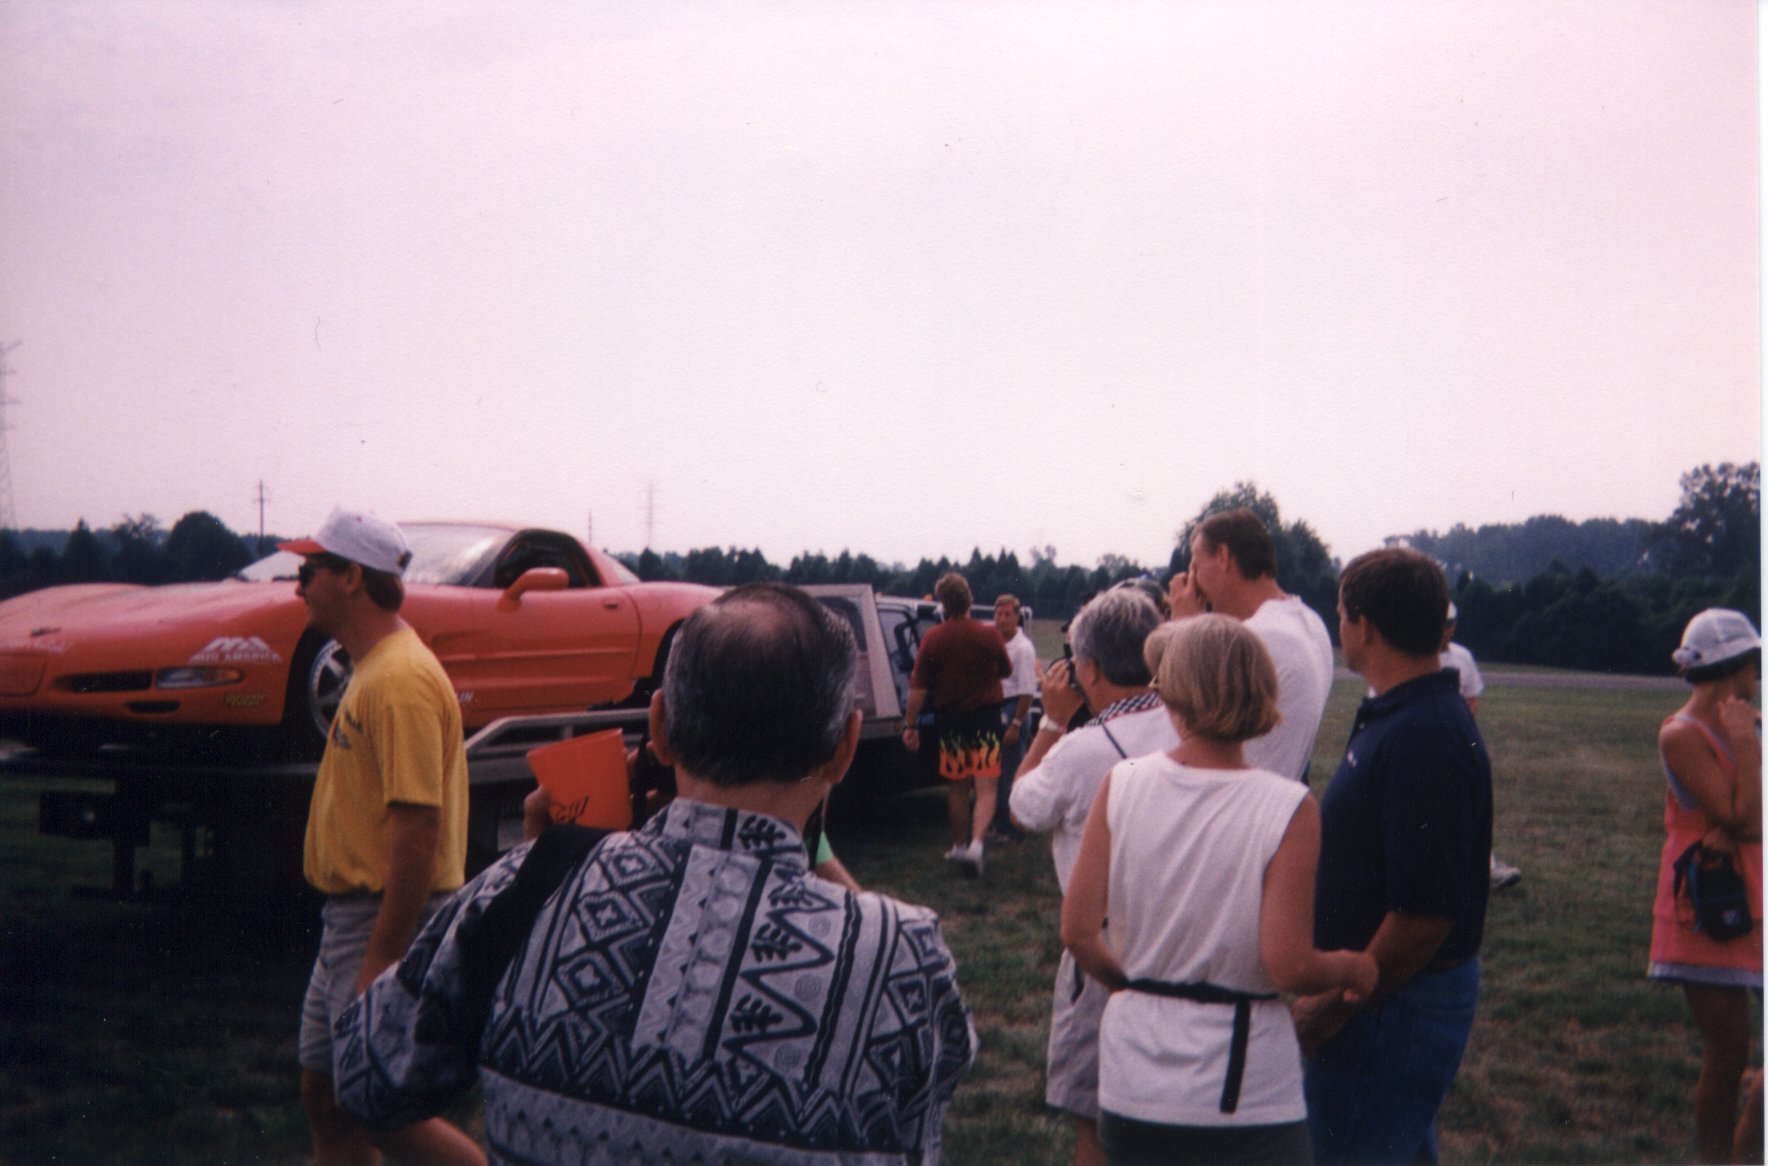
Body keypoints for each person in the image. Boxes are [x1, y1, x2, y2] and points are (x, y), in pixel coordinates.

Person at [332, 583, 975, 1164]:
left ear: (660, 727)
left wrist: (539, 878)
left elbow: (366, 1078)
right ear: (845, 746)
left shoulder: (532, 881)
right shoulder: (904, 952)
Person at [1060, 615, 1377, 1166]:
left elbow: (1078, 932)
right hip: (1243, 1087)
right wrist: (1353, 968)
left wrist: (1135, 982)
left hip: (1133, 1076)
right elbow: (1289, 965)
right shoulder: (1287, 806)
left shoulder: (1122, 783)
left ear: (1171, 694)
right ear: (1261, 691)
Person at [282, 507, 484, 1166]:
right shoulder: (371, 668)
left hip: (375, 921)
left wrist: (381, 958)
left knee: (375, 1106)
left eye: (309, 569)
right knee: (324, 1091)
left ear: (349, 578)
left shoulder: (399, 681)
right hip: (347, 922)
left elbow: (419, 831)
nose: (297, 584)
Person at [1293, 547, 1493, 1165]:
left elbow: (1425, 915)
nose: (1340, 629)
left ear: (1366, 626)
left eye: (1341, 616)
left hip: (1391, 1008)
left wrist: (1334, 1007)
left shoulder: (1422, 735)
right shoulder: (1406, 713)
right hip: (1388, 1002)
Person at [1009, 586, 1176, 1166]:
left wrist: (1052, 723)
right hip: (1180, 940)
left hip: (1103, 947)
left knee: (1098, 1123)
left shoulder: (1080, 751)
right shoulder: (1189, 730)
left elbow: (1023, 807)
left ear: (1089, 668)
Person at [1649, 608, 1763, 1164]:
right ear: (1733, 669)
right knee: (1728, 1054)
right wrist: (1746, 745)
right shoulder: (1682, 734)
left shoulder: (1751, 728)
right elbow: (1745, 817)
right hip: (1713, 911)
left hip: (1755, 899)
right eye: (1754, 665)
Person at [1166, 508, 1333, 782]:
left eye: (1196, 565)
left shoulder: (1256, 638)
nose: (1192, 579)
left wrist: (1185, 630)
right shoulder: (1309, 621)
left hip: (1240, 803)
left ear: (1223, 557)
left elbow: (1183, 726)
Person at [901, 572, 1012, 875]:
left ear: (942, 604)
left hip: (951, 721)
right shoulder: (989, 634)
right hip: (987, 719)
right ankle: (977, 846)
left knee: (958, 785)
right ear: (969, 598)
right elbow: (1005, 669)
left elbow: (918, 688)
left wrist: (909, 726)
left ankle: (959, 846)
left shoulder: (933, 639)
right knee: (986, 785)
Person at [1440, 604, 1522, 890]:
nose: (1446, 628)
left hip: (1457, 741)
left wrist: (1455, 729)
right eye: (1441, 622)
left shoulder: (1462, 657)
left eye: (1450, 623)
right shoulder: (1407, 656)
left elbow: (1472, 698)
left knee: (1469, 804)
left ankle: (1487, 868)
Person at [990, 592, 1041, 841]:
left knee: (1011, 774)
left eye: (1006, 615)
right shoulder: (994, 643)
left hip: (1013, 710)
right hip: (994, 708)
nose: (1001, 620)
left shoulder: (1023, 648)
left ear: (1017, 617)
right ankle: (998, 823)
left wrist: (1016, 723)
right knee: (994, 773)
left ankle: (1013, 827)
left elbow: (1027, 691)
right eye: (997, 614)